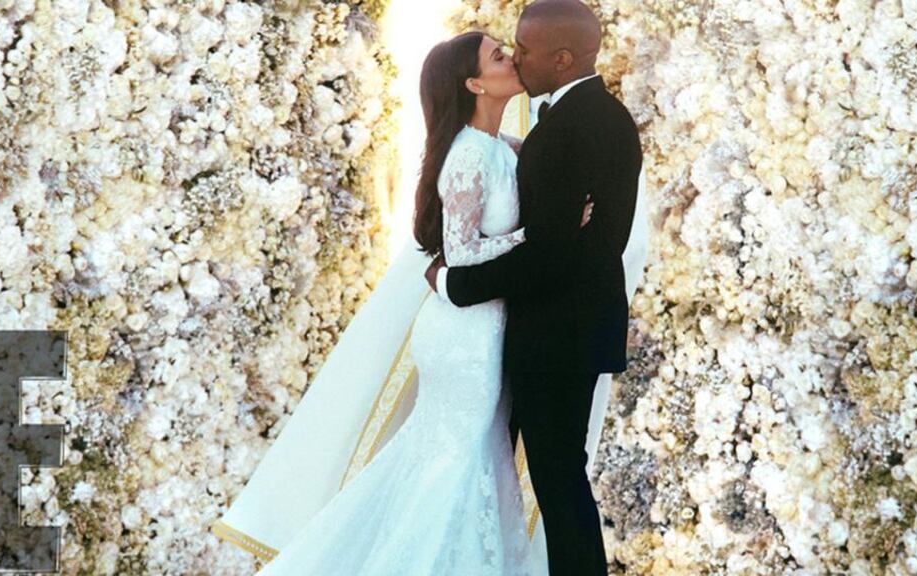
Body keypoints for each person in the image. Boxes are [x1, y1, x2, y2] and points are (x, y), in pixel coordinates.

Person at [213, 30, 596, 575]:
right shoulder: (465, 156)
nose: (510, 57)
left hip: (487, 326)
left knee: (471, 458)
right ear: (473, 83)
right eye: (496, 55)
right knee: (456, 460)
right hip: (465, 335)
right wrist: (541, 236)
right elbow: (461, 255)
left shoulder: (499, 147)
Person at [424, 1, 643, 575]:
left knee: (556, 481)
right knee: (541, 476)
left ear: (563, 58)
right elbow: (556, 241)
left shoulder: (571, 128)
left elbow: (550, 254)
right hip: (567, 327)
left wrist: (456, 284)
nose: (516, 57)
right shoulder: (592, 119)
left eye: (523, 48)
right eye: (508, 50)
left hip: (557, 335)